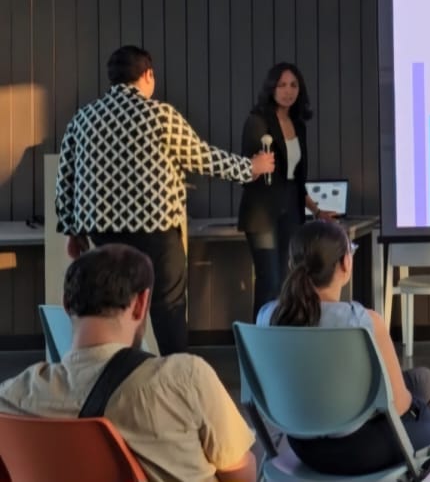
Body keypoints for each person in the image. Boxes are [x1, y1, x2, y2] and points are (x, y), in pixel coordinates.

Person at [56, 45, 274, 355]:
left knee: (113, 305)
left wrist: (72, 230)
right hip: (156, 231)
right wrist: (250, 168)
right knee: (167, 307)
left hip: (102, 233)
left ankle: (117, 371)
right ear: (147, 75)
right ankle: (174, 373)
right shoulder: (159, 115)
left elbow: (65, 178)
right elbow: (202, 158)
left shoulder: (83, 119)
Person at [0, 245, 256, 482]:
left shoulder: (12, 397)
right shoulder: (184, 377)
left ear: (66, 304)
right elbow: (241, 476)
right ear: (141, 303)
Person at [258, 220, 430, 475]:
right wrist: (420, 406)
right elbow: (400, 406)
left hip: (303, 445)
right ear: (345, 263)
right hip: (361, 450)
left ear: (291, 263)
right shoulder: (363, 322)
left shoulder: (267, 316)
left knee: (424, 379)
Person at [239, 62, 332, 315]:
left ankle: (284, 331)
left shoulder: (298, 124)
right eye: (281, 85)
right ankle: (261, 335)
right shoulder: (257, 121)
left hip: (291, 207)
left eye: (293, 85)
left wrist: (316, 210)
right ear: (271, 88)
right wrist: (256, 166)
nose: (288, 91)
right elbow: (245, 169)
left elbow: (297, 180)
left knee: (288, 279)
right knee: (269, 279)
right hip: (263, 209)